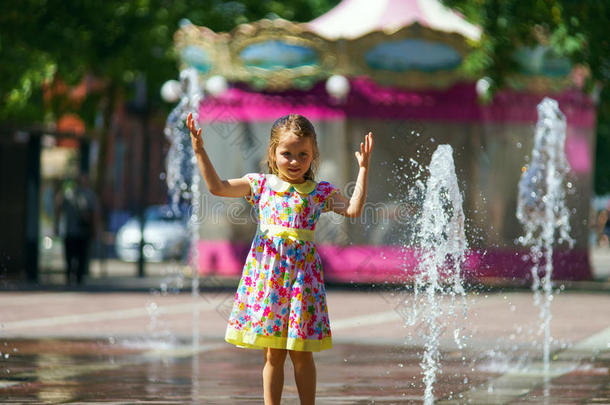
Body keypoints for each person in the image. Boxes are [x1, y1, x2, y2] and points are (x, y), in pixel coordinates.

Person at [187, 112, 373, 405]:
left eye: (303, 154)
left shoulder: (318, 192)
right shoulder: (260, 185)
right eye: (287, 153)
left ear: (314, 156)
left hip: (303, 282)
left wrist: (362, 169)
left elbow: (353, 209)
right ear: (273, 154)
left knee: (301, 352)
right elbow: (218, 187)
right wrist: (200, 151)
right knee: (273, 353)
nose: (295, 161)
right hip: (269, 280)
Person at [55, 173, 99, 285]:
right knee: (74, 256)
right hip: (73, 232)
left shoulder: (71, 194)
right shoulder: (73, 195)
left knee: (76, 256)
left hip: (78, 232)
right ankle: (74, 277)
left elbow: (94, 215)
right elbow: (59, 209)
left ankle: (74, 277)